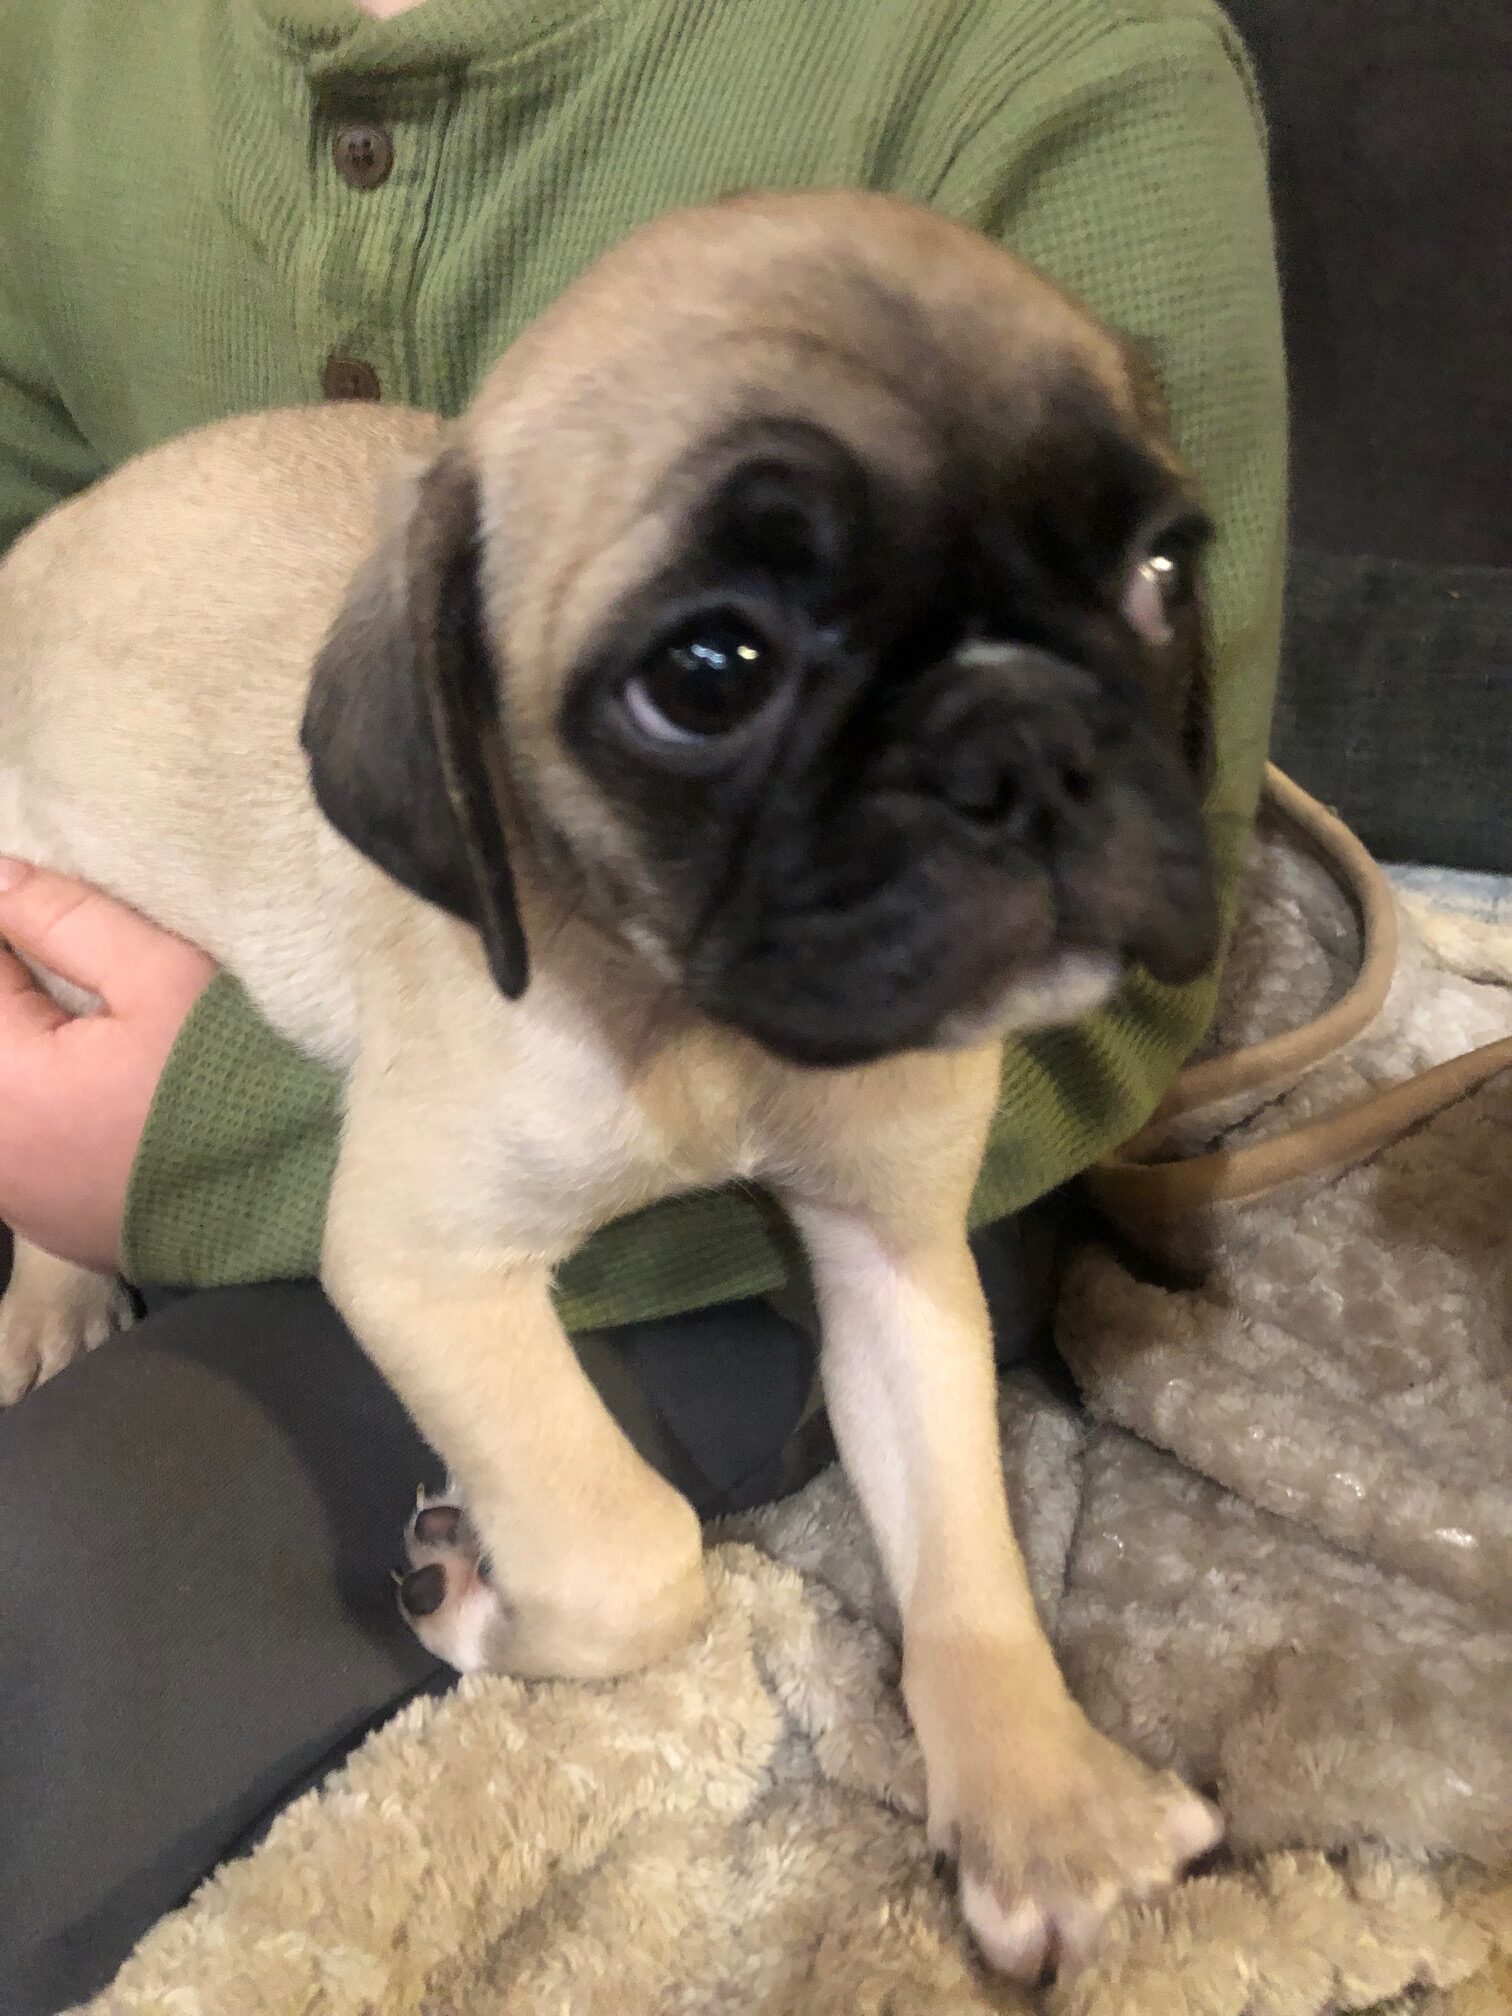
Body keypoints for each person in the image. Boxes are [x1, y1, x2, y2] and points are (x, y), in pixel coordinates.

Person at [0, 0, 1286, 2006]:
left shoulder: (1060, 62)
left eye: (1131, 580)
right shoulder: (62, 55)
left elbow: (899, 1252)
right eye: (709, 679)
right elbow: (425, 1245)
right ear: (460, 760)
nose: (1005, 783)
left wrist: (993, 1692)